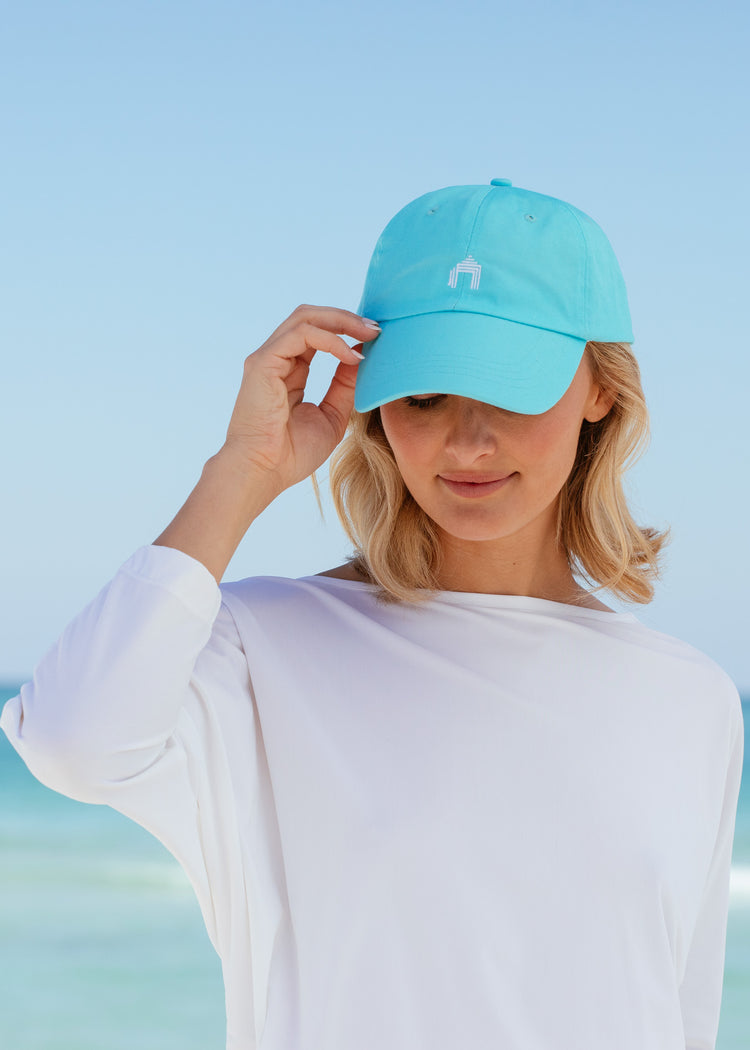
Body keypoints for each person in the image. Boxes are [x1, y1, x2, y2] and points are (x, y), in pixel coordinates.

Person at [1, 179, 744, 1050]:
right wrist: (243, 470)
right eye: (424, 396)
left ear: (600, 392)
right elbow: (70, 740)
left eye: (508, 390)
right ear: (374, 404)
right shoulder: (266, 647)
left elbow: (681, 1019)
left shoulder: (689, 700)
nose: (467, 442)